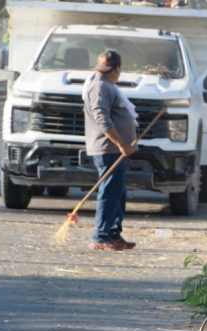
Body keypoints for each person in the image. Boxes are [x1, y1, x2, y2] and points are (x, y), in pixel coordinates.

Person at [82, 50, 137, 251]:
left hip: (118, 149)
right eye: (105, 70)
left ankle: (113, 233)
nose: (108, 73)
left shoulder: (109, 86)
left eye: (109, 70)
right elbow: (102, 119)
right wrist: (122, 143)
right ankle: (101, 235)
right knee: (109, 191)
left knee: (118, 192)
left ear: (117, 69)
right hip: (109, 148)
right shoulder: (100, 86)